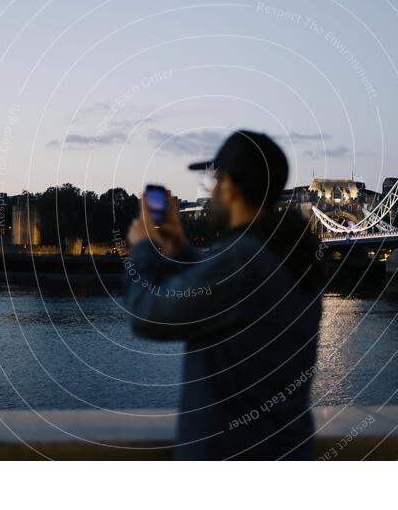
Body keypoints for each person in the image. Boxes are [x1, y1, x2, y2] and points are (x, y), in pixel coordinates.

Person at [123, 130, 326, 460]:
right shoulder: (288, 252)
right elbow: (228, 298)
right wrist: (180, 250)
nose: (212, 192)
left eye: (215, 183)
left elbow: (146, 315)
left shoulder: (243, 260)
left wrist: (144, 247)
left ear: (230, 187)